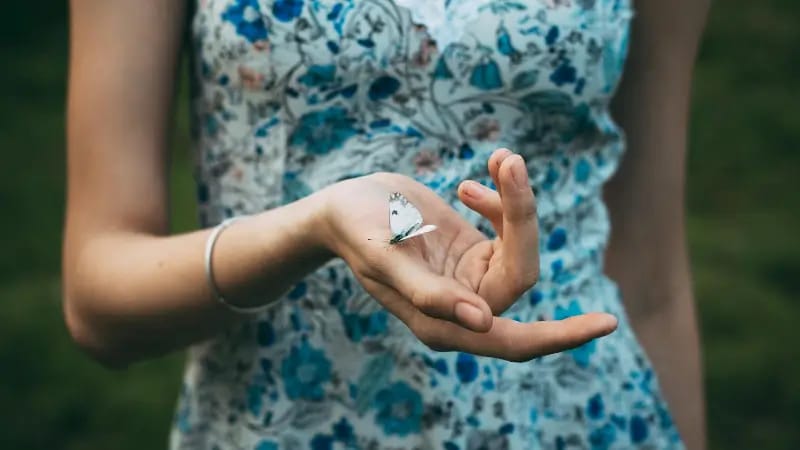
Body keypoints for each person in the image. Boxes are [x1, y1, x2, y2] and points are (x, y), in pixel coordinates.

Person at [63, 0, 709, 448]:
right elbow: (98, 299)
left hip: (581, 417)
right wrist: (308, 230)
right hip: (287, 423)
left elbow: (650, 285)